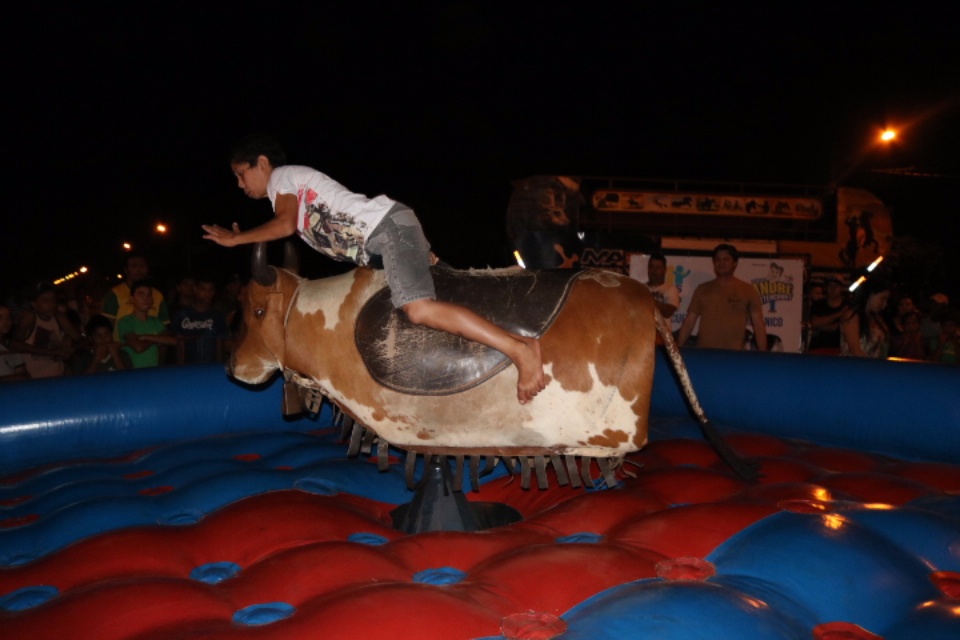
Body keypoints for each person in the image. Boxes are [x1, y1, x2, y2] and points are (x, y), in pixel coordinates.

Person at [202, 135, 545, 404]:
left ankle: (519, 351)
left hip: (389, 230)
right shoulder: (286, 190)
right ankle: (519, 339)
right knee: (438, 301)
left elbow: (285, 225)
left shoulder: (282, 178)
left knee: (419, 310)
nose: (240, 184)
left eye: (241, 174)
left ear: (262, 163)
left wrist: (238, 240)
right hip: (387, 241)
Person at [676, 244, 767, 351]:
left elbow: (758, 325)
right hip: (705, 354)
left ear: (735, 263)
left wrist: (764, 355)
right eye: (718, 260)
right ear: (714, 263)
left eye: (726, 259)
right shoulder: (702, 289)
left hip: (734, 356)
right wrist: (676, 350)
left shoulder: (748, 290)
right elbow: (689, 323)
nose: (721, 263)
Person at [10, 282, 80, 378]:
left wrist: (68, 342)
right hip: (33, 380)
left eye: (54, 300)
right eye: (46, 300)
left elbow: (79, 338)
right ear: (34, 304)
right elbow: (13, 344)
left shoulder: (58, 317)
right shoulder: (30, 317)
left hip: (57, 377)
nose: (51, 304)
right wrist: (50, 352)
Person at [101, 253, 171, 337]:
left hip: (152, 347)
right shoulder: (115, 294)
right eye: (134, 266)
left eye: (142, 266)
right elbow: (107, 326)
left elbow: (164, 328)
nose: (139, 270)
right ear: (126, 270)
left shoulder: (158, 296)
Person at [171, 275, 229, 364]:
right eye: (203, 289)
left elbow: (220, 344)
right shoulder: (182, 315)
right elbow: (180, 344)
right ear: (195, 290)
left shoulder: (217, 315)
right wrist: (180, 368)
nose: (207, 293)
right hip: (188, 368)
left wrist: (218, 366)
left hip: (210, 367)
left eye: (210, 290)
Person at [118, 280, 176, 368]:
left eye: (149, 294)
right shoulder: (125, 322)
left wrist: (146, 337)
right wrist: (156, 339)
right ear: (132, 299)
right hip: (132, 373)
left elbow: (173, 341)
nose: (146, 298)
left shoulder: (156, 322)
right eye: (141, 294)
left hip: (153, 372)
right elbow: (138, 347)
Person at [839, 277, 890, 358]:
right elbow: (854, 350)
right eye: (882, 299)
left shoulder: (876, 319)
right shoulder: (852, 316)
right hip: (855, 366)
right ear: (870, 295)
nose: (884, 304)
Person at [807, 278, 848, 354]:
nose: (833, 289)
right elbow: (814, 323)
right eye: (830, 286)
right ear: (826, 288)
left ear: (841, 288)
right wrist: (839, 314)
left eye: (836, 286)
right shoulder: (818, 304)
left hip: (839, 350)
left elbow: (845, 328)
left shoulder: (848, 306)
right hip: (817, 349)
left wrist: (821, 326)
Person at [644, 252, 680, 333]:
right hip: (645, 335)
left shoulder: (671, 289)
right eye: (651, 267)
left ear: (665, 270)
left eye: (658, 267)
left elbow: (667, 312)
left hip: (662, 337)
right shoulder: (641, 288)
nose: (654, 271)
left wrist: (647, 299)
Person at [0, 303, 30, 382]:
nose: (6, 321)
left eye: (8, 317)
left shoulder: (9, 348)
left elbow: (24, 375)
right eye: (0, 317)